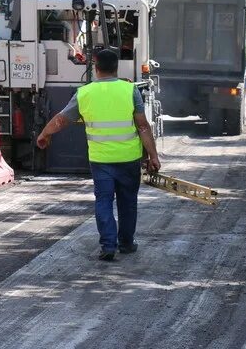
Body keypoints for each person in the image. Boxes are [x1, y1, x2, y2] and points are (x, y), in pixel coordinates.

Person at [35, 49, 161, 261]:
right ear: (116, 68)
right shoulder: (130, 90)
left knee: (103, 200)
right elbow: (143, 127)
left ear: (95, 67)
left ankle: (108, 245)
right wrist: (153, 156)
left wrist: (45, 133)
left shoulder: (84, 93)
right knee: (128, 202)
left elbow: (62, 119)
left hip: (101, 160)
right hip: (129, 158)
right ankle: (127, 243)